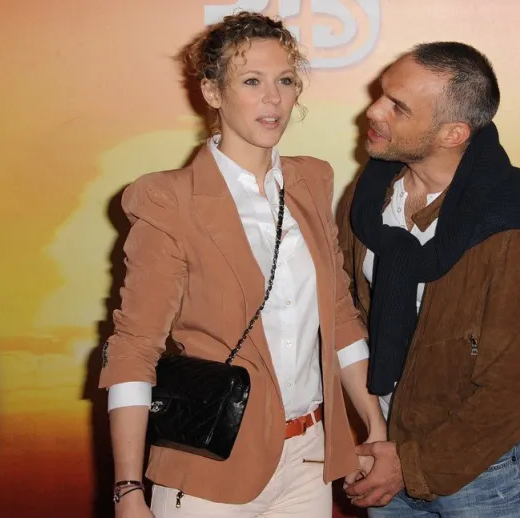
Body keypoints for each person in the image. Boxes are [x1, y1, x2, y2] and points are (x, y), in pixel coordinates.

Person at [99, 12, 385, 518]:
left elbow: (339, 316)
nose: (273, 99)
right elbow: (135, 346)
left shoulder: (310, 182)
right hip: (213, 466)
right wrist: (127, 489)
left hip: (309, 460)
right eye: (251, 81)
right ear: (212, 92)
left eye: (285, 81)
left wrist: (375, 426)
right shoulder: (168, 199)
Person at [337, 42, 520, 517]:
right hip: (384, 448)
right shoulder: (369, 197)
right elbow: (349, 310)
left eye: (397, 106)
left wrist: (411, 465)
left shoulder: (513, 230)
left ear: (452, 133)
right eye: (382, 94)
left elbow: (516, 388)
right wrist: (377, 439)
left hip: (482, 472)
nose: (373, 110)